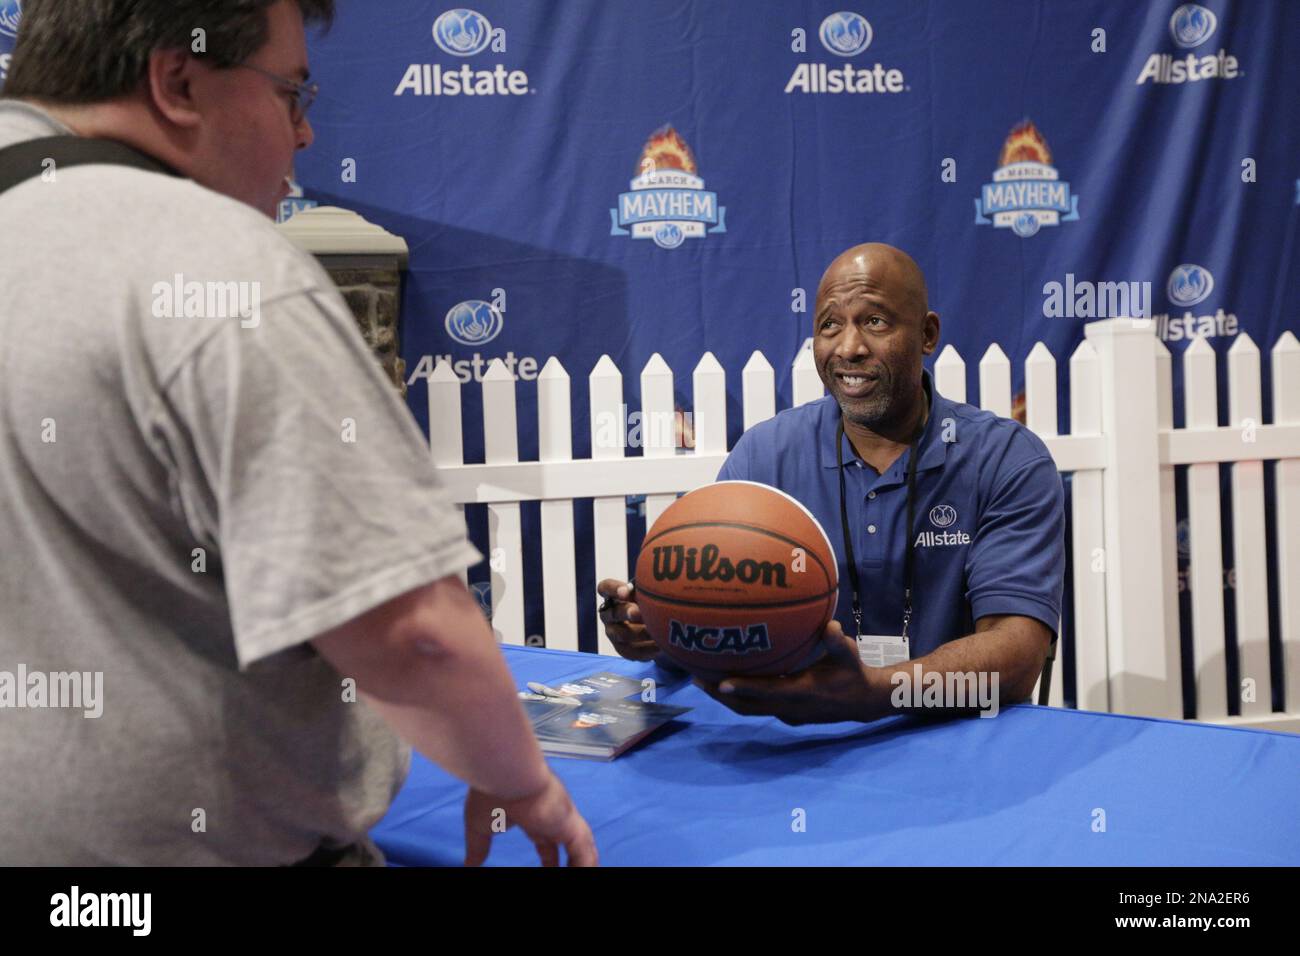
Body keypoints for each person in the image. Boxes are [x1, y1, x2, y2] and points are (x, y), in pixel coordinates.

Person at [0, 0, 594, 866]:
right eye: (291, 93)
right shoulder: (216, 270)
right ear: (179, 81)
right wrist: (522, 784)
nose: (305, 135)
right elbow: (412, 631)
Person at [599, 243, 1064, 725]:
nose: (849, 347)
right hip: (799, 744)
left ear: (927, 335)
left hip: (957, 737)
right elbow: (715, 628)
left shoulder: (1008, 460)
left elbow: (1017, 660)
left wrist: (875, 694)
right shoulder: (764, 457)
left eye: (875, 321)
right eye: (829, 325)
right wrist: (660, 628)